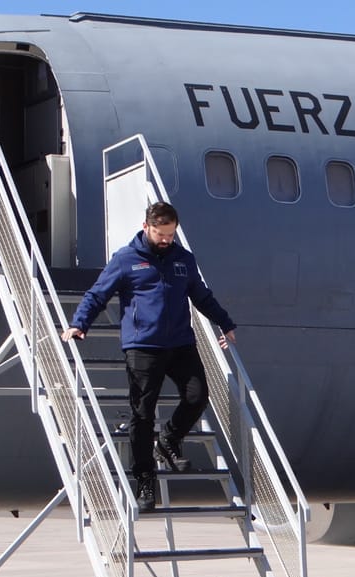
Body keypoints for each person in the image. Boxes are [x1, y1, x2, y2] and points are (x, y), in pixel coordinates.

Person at [60, 202, 237, 511]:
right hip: (143, 346)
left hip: (180, 343)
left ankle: (168, 440)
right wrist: (79, 323)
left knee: (197, 397)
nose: (166, 239)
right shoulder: (126, 259)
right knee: (142, 415)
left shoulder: (184, 259)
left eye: (171, 234)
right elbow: (98, 294)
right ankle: (145, 481)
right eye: (160, 234)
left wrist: (224, 322)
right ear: (146, 227)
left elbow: (201, 295)